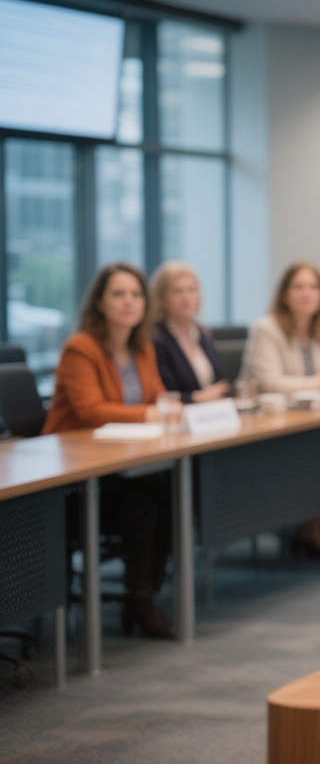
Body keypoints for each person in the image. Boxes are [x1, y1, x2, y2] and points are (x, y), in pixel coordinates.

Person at [43, 263, 175, 638]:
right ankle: (141, 601)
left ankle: (142, 597)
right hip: (72, 482)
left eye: (135, 294)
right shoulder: (80, 347)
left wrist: (159, 408)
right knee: (153, 501)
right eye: (118, 294)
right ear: (99, 302)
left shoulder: (143, 348)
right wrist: (150, 412)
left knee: (171, 491)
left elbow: (159, 397)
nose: (129, 302)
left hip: (120, 468)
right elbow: (90, 411)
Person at [243, 261, 320, 557]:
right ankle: (310, 526)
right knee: (317, 447)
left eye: (313, 287)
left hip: (314, 418)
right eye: (299, 287)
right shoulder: (266, 329)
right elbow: (269, 383)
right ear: (284, 295)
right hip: (268, 422)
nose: (307, 294)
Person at [150, 262, 231, 403]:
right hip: (178, 417)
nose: (186, 297)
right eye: (178, 291)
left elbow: (220, 382)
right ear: (161, 298)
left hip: (212, 414)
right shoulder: (155, 338)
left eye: (191, 290)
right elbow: (161, 393)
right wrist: (197, 398)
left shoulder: (203, 332)